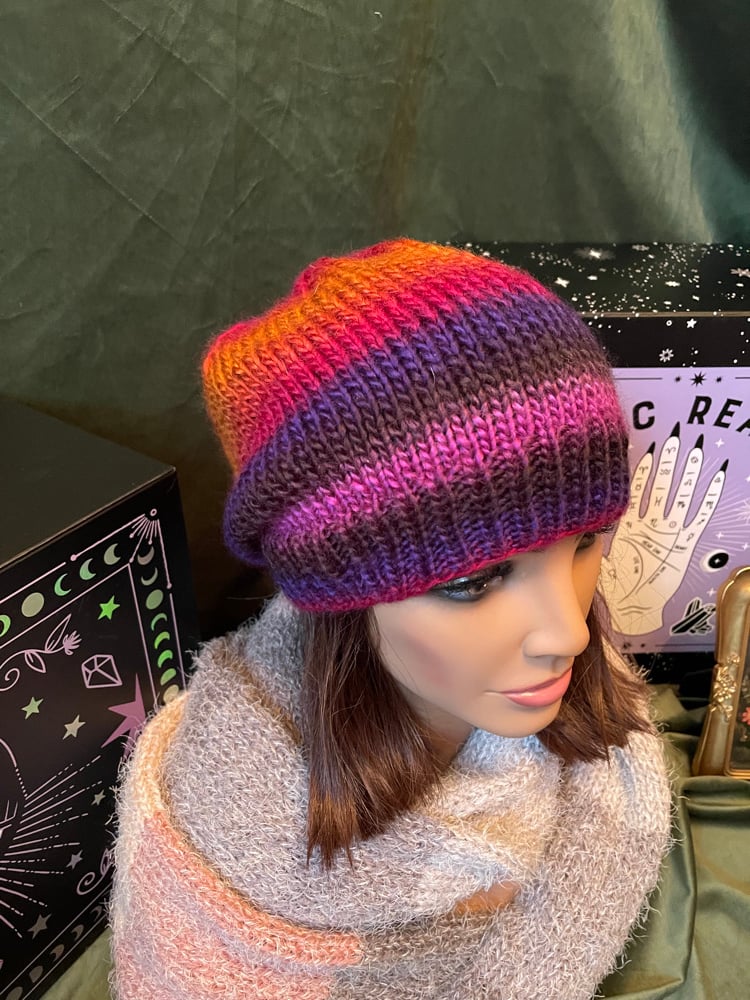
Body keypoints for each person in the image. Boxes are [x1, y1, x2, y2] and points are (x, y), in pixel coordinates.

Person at [110, 239, 671, 999]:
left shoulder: (600, 763)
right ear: (341, 593)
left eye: (585, 542)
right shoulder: (223, 852)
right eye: (476, 580)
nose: (570, 633)